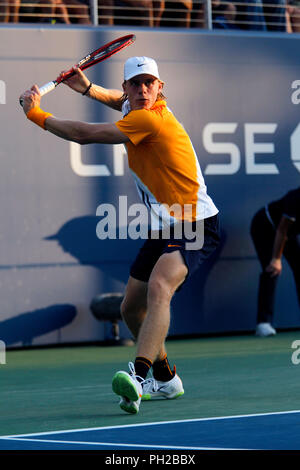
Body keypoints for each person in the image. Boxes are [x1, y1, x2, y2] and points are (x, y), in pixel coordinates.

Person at [20, 56, 220, 414]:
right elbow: (120, 101)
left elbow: (84, 135)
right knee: (131, 309)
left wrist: (36, 114)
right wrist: (87, 88)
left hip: (195, 223)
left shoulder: (149, 118)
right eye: (135, 84)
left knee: (160, 287)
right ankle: (166, 378)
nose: (143, 90)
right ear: (128, 87)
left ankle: (139, 376)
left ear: (160, 88)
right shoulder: (135, 104)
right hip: (164, 225)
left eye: (149, 84)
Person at [250, 187, 300, 337]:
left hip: (287, 233)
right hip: (264, 226)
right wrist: (276, 259)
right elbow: (282, 230)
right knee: (271, 269)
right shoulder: (296, 198)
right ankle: (263, 323)